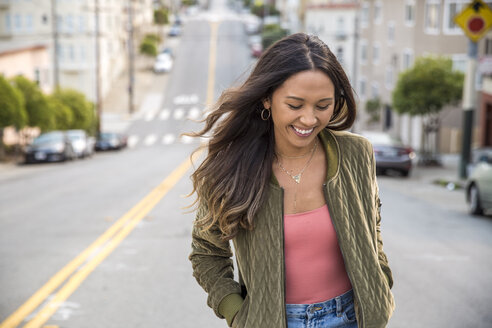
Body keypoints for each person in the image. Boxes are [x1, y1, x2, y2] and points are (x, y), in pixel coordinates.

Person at [188, 33, 395, 328]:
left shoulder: (356, 153)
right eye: (295, 105)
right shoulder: (232, 166)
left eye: (322, 106)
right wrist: (237, 314)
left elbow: (371, 224)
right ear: (267, 98)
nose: (309, 120)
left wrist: (380, 281)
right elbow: (206, 252)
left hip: (355, 317)